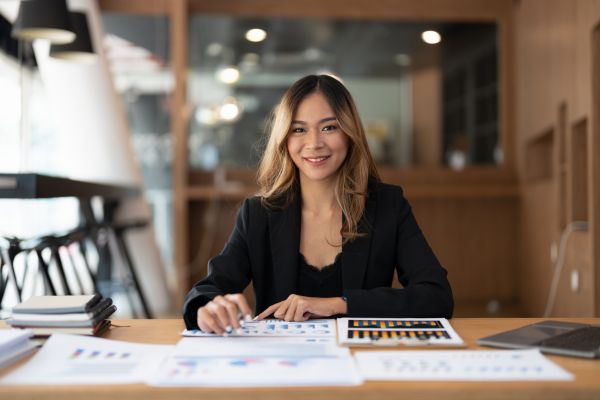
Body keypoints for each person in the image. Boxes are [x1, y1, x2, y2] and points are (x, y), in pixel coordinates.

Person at [183, 74, 453, 334]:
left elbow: (436, 296)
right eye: (299, 129)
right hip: (283, 365)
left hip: (361, 360)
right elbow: (210, 289)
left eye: (329, 127)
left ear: (349, 133)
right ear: (284, 140)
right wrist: (207, 308)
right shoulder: (258, 214)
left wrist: (339, 304)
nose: (314, 143)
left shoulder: (388, 205)